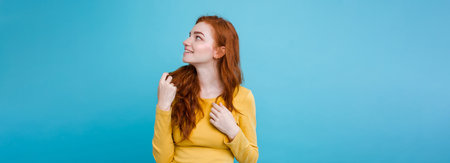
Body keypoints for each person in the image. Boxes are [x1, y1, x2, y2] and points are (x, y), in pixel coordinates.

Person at [152, 15, 258, 163]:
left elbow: (250, 159)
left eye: (198, 37)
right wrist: (163, 106)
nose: (186, 42)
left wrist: (233, 131)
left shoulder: (242, 97)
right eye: (189, 35)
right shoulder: (174, 90)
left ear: (219, 52)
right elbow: (162, 159)